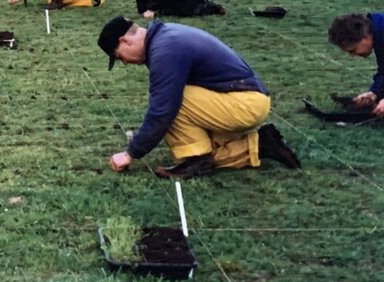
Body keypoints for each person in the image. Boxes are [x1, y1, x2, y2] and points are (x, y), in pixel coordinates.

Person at [96, 15, 299, 178]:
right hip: (241, 99)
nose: (124, 63)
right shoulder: (165, 37)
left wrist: (131, 153)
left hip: (245, 103)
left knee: (171, 100)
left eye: (119, 56)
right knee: (171, 99)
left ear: (125, 40)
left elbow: (162, 109)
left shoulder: (165, 50)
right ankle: (256, 145)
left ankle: (197, 159)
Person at [327, 12, 384, 117]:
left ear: (365, 37)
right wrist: (375, 92)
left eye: (353, 50)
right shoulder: (378, 32)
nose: (353, 55)